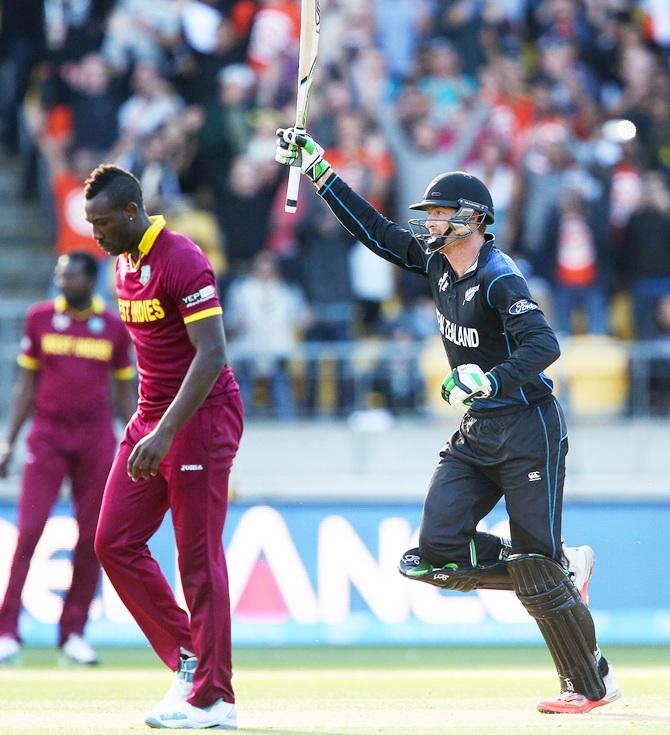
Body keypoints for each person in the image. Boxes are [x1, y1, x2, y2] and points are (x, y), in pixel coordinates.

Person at [275, 128, 621, 714]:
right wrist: (319, 170)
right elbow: (378, 234)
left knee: (535, 567)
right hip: (478, 430)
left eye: (440, 214)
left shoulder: (498, 277)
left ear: (475, 219)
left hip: (527, 426)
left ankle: (590, 684)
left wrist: (489, 378)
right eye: (429, 213)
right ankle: (557, 566)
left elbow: (544, 346)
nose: (429, 223)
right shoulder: (438, 264)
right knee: (432, 556)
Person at [83, 165, 243, 730]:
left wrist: (166, 431)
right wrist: (146, 424)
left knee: (198, 560)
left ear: (131, 213)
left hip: (198, 418)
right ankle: (189, 657)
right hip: (152, 418)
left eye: (102, 223)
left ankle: (213, 699)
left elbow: (212, 354)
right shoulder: (124, 263)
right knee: (114, 542)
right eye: (89, 225)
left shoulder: (182, 258)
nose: (95, 236)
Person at [0, 252, 135, 665]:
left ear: (91, 280)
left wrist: (138, 441)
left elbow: (124, 394)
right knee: (30, 531)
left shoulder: (113, 327)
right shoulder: (40, 318)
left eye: (71, 276)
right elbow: (27, 385)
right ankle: (7, 630)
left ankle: (73, 633)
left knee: (93, 537)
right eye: (59, 275)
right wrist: (8, 442)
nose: (62, 282)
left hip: (95, 438)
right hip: (48, 436)